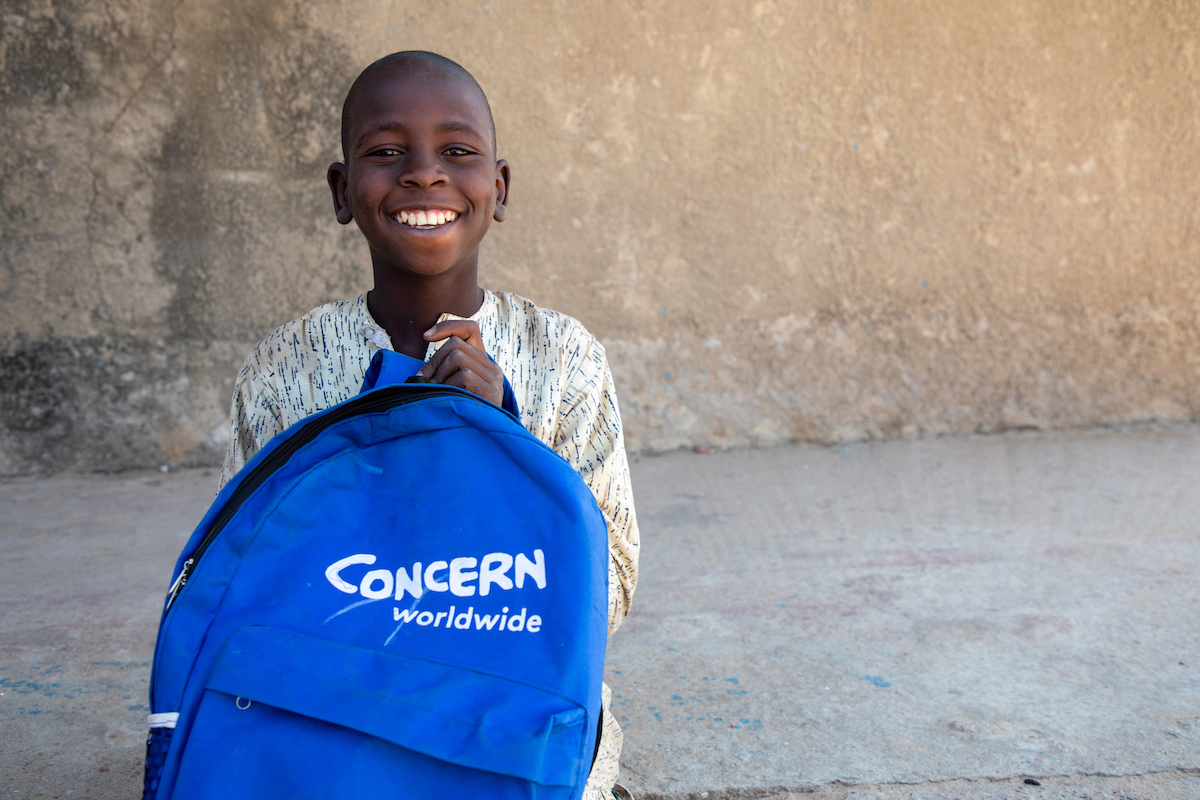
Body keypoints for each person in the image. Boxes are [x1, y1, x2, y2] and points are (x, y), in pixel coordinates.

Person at [217, 51, 640, 800]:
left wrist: (498, 443)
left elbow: (607, 587)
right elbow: (243, 581)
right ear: (344, 191)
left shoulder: (564, 357)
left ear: (498, 188)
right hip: (341, 699)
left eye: (457, 151)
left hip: (513, 698)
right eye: (386, 152)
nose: (423, 173)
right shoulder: (284, 369)